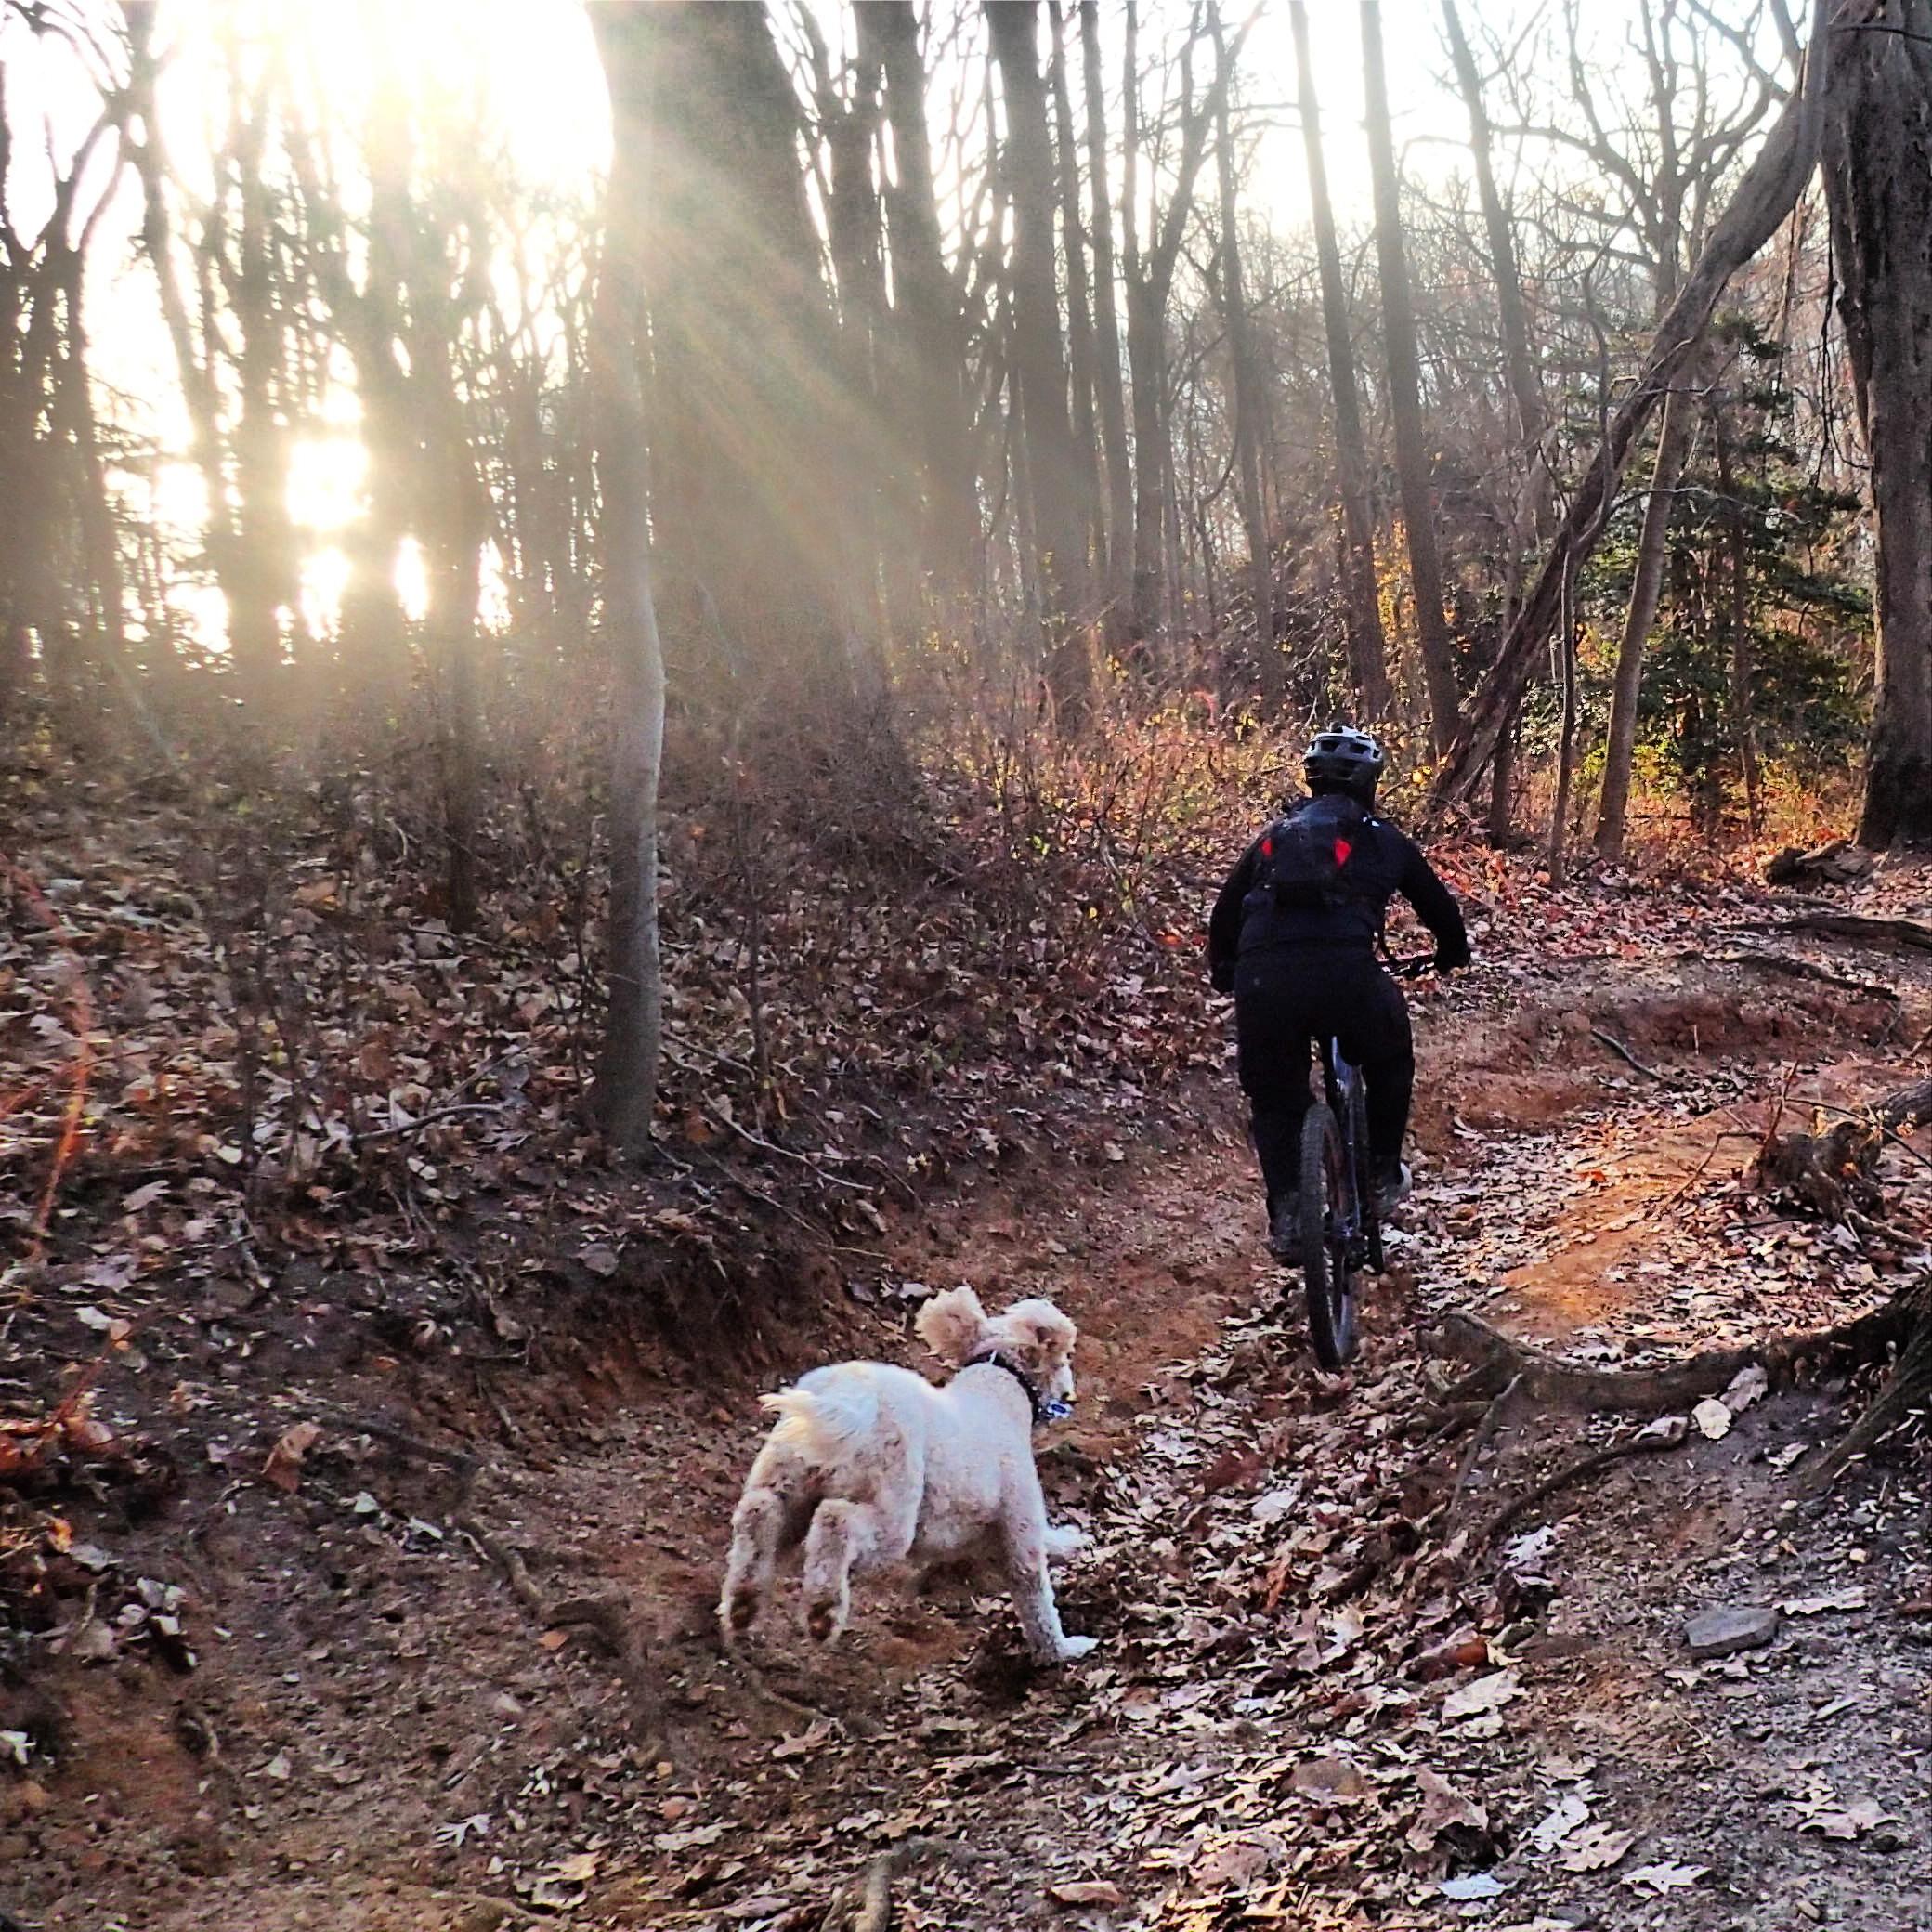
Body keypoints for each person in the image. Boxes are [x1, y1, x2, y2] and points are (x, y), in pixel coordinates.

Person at [1207, 727, 1469, 1257]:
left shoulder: (1274, 836)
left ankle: (1289, 1213)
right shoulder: (1384, 838)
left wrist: (1227, 972)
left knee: (1275, 1097)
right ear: (1371, 781)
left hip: (1265, 979)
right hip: (1346, 975)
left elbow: (1224, 915)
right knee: (1390, 1057)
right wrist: (1450, 953)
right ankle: (1379, 1174)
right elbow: (1439, 910)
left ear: (1310, 780)